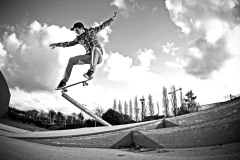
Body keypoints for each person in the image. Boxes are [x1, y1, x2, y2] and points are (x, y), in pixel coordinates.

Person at [50, 12, 117, 89]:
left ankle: (90, 72)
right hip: (89, 57)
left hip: (98, 57)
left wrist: (111, 19)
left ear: (81, 28)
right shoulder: (78, 39)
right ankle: (63, 81)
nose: (75, 32)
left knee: (95, 49)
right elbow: (68, 44)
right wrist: (57, 44)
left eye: (76, 30)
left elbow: (102, 26)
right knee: (71, 60)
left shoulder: (91, 31)